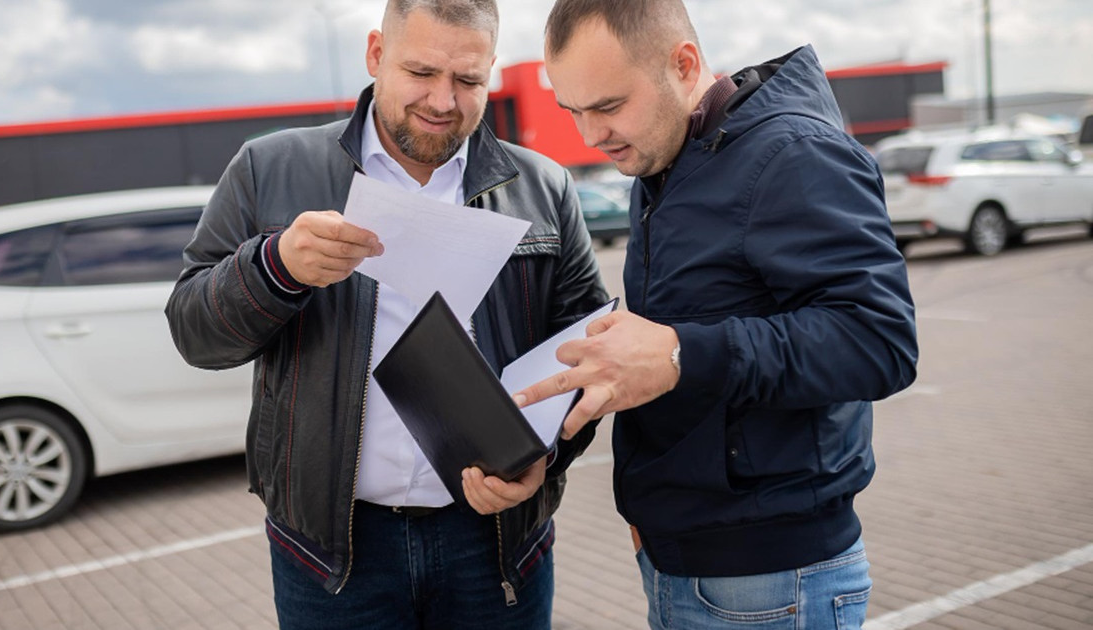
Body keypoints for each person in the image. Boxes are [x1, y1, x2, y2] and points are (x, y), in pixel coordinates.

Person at [165, 1, 607, 628]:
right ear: (375, 55)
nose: (443, 101)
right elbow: (193, 333)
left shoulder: (545, 186)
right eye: (421, 72)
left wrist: (546, 458)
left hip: (496, 545)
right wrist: (277, 266)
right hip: (332, 554)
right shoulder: (269, 169)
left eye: (468, 80)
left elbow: (588, 351)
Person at [515, 1, 920, 628]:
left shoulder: (793, 154)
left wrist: (681, 355)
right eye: (575, 111)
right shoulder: (665, 161)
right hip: (685, 568)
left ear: (684, 64)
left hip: (770, 583)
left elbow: (880, 340)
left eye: (609, 106)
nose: (590, 136)